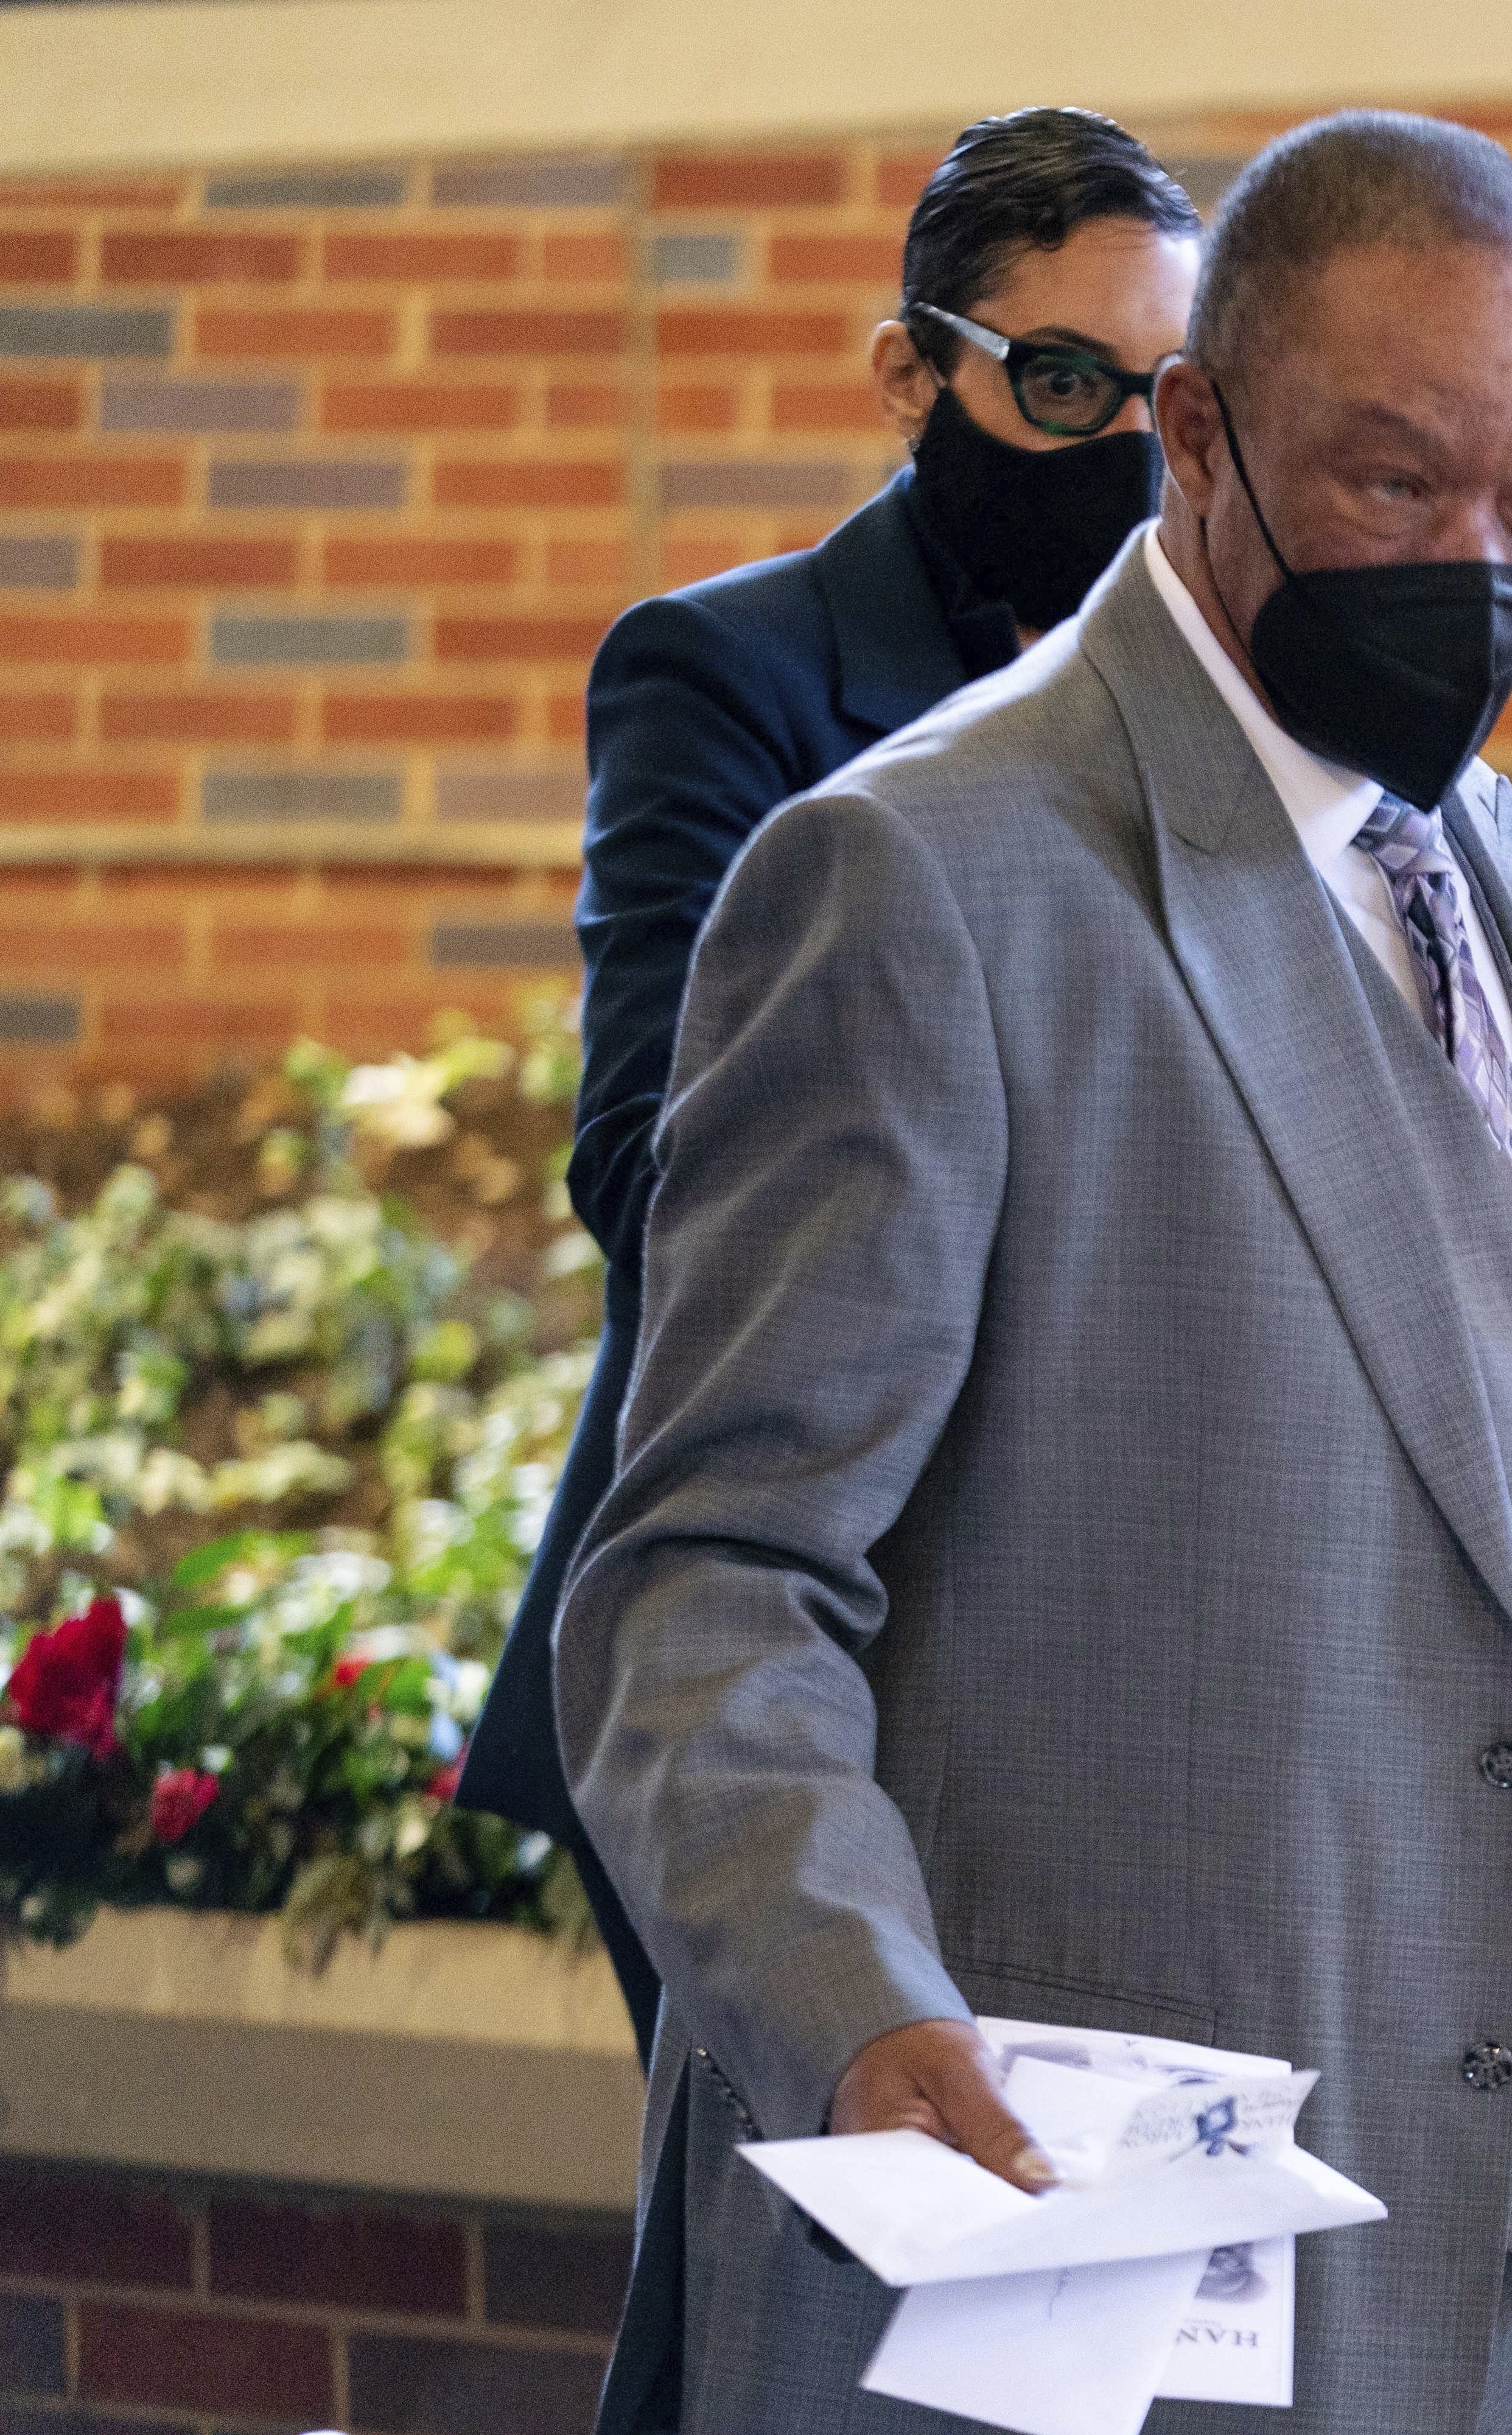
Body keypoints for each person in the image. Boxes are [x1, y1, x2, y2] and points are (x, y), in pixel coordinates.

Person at [558, 113, 1512, 2435]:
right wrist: (851, 2003)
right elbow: (706, 1580)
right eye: (1397, 484)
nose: (1484, 560)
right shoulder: (920, 877)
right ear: (1199, 444)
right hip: (1131, 2270)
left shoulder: (1483, 838)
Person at [455, 105, 1203, 2062]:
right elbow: (640, 1159)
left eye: (1166, 399)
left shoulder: (1206, 719)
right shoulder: (735, 671)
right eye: (1059, 384)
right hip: (779, 1638)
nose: (1117, 446)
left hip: (1083, 1654)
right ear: (912, 370)